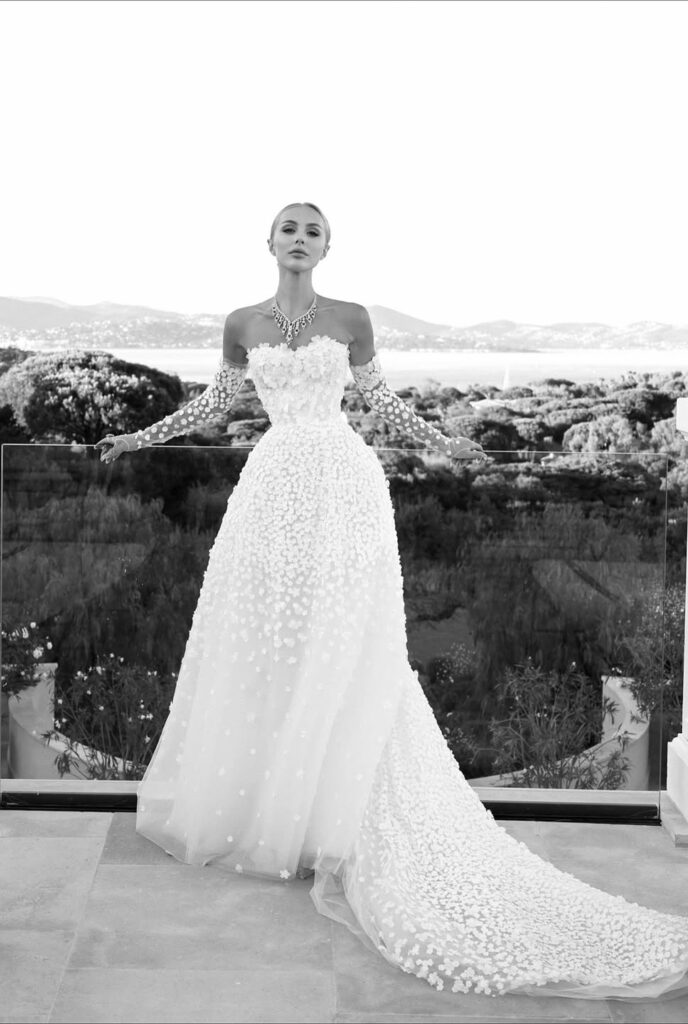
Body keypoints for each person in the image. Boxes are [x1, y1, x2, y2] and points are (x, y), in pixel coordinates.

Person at [94, 203, 688, 1001]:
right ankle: (280, 811)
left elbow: (383, 403)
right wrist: (138, 438)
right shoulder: (239, 322)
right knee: (272, 640)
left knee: (345, 642)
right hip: (271, 491)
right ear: (267, 242)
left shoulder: (353, 318)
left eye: (313, 230)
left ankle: (339, 811)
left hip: (344, 485)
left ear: (327, 247)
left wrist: (446, 440)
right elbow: (215, 404)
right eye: (288, 228)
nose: (299, 238)